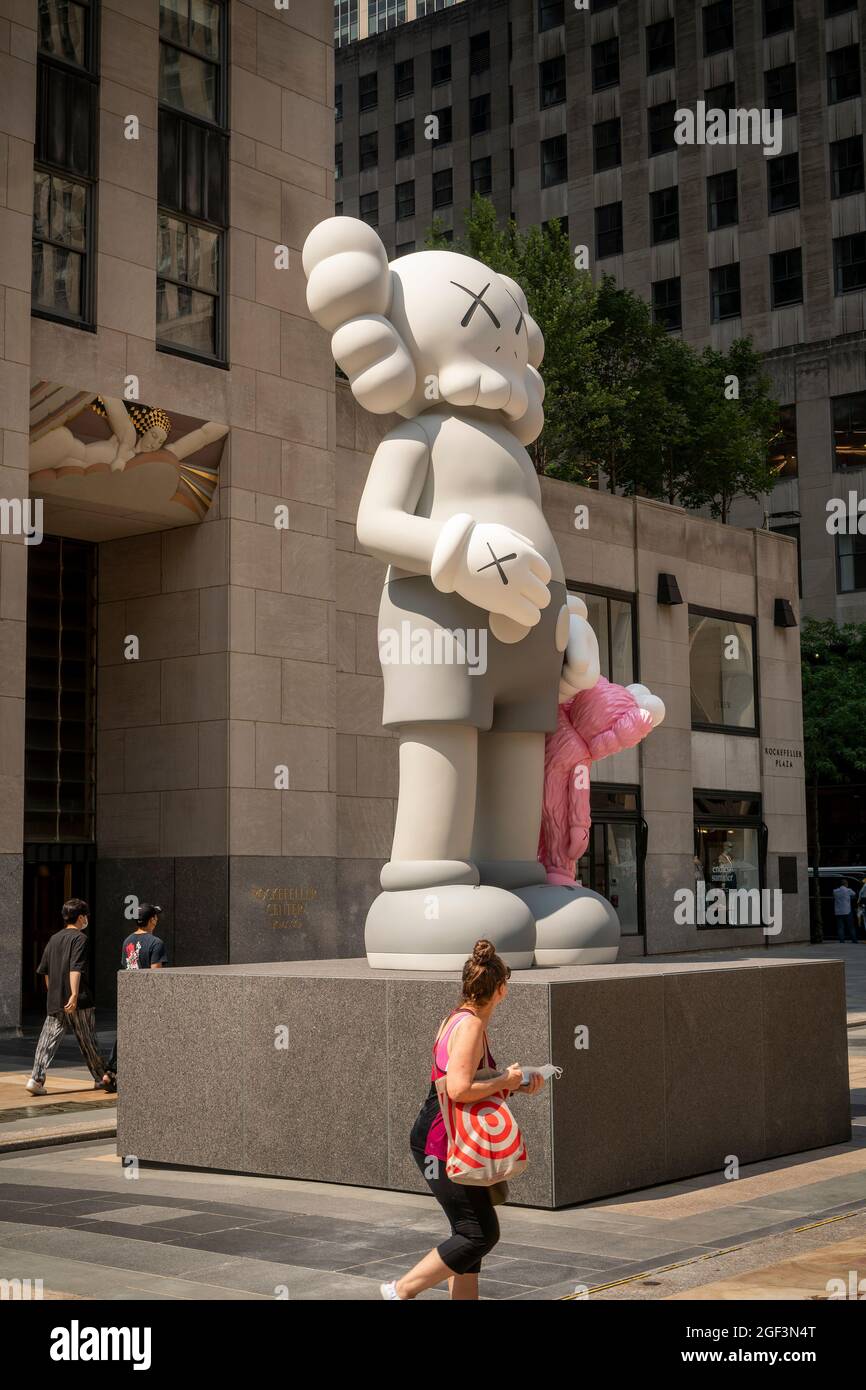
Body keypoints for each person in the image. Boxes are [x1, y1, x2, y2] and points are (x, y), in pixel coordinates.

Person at [381, 939, 544, 1301]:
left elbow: (470, 1081)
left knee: (466, 1233)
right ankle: (399, 1290)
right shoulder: (470, 1027)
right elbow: (458, 1089)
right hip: (443, 1142)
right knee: (478, 1234)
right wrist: (507, 1081)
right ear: (500, 989)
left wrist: (513, 1084)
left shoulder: (457, 1019)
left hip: (437, 1135)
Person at [27, 899, 112, 1096]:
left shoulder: (54, 938)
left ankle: (35, 1079)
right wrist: (74, 994)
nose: (87, 919)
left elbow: (45, 971)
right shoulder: (80, 939)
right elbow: (76, 968)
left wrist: (54, 993)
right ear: (81, 917)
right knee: (88, 1040)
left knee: (47, 1041)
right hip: (78, 1000)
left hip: (56, 999)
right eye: (86, 916)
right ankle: (102, 1078)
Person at [101, 904, 167, 1089]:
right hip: (147, 998)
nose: (157, 919)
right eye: (156, 916)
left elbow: (126, 969)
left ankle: (110, 1072)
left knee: (124, 1034)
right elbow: (156, 976)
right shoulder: (156, 943)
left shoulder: (127, 941)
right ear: (152, 919)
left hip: (130, 996)